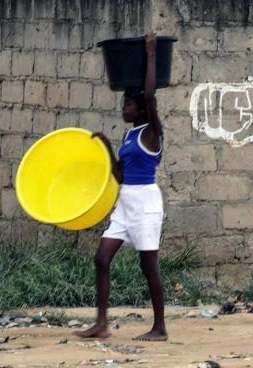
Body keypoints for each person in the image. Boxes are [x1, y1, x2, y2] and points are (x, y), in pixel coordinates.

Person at [75, 32, 167, 342]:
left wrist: (151, 54)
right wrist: (105, 146)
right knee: (101, 258)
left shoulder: (152, 132)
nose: (123, 109)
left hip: (145, 203)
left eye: (128, 105)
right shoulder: (129, 136)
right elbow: (119, 174)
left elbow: (152, 96)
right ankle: (101, 322)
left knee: (148, 265)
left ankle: (160, 328)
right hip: (126, 200)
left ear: (141, 109)